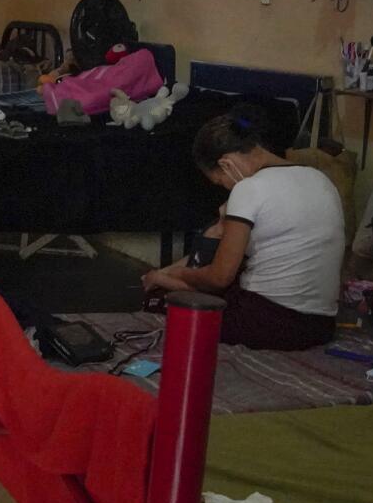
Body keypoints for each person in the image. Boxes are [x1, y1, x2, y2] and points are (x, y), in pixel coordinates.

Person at [143, 111, 344, 349]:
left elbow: (219, 278)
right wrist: (167, 272)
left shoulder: (249, 189)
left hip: (266, 323)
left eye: (221, 181)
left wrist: (176, 275)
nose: (226, 188)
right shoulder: (320, 178)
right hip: (321, 326)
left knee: (158, 299)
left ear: (226, 164)